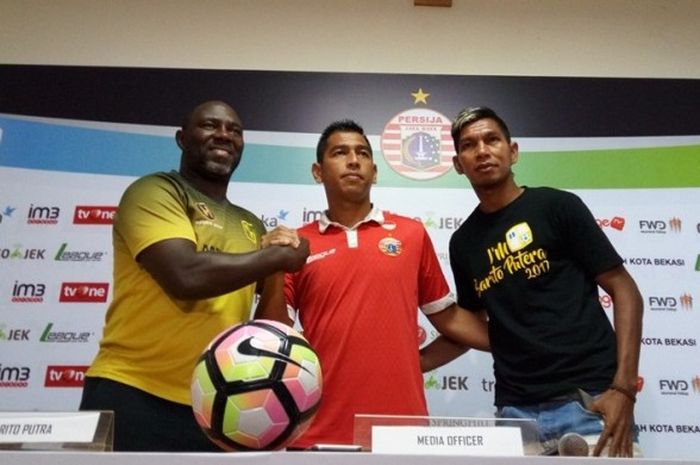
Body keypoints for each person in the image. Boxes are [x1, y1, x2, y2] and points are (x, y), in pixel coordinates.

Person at [80, 100, 309, 451]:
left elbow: (269, 332)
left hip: (219, 405)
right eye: (209, 126)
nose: (223, 135)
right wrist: (277, 255)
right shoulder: (154, 192)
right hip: (132, 390)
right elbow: (184, 276)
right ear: (181, 138)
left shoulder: (250, 223)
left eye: (234, 130)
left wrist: (277, 267)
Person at [255, 120, 489, 449]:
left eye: (362, 153)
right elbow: (271, 338)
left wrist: (515, 341)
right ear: (317, 172)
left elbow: (449, 319)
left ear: (375, 172)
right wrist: (274, 267)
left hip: (402, 432)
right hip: (314, 433)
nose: (354, 160)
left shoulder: (411, 233)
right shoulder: (296, 245)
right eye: (340, 152)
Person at [441, 106, 644, 457]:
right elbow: (472, 327)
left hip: (589, 403)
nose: (483, 151)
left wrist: (623, 389)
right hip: (515, 416)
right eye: (469, 145)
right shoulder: (463, 242)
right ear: (459, 164)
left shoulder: (557, 206)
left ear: (513, 151)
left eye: (492, 140)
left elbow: (625, 290)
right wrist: (408, 360)